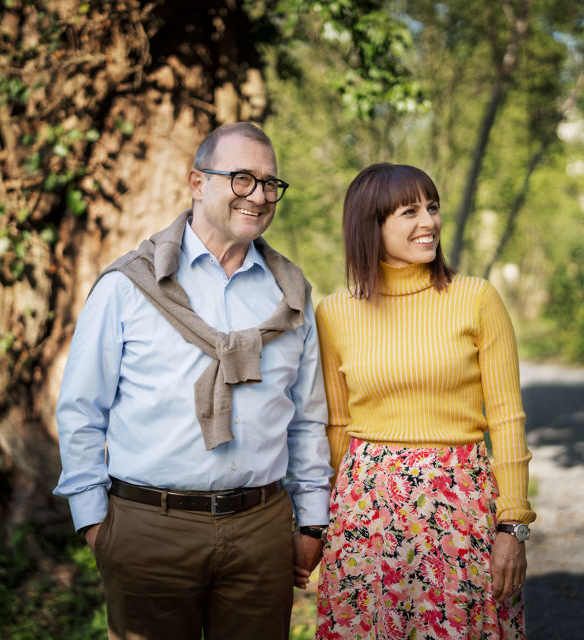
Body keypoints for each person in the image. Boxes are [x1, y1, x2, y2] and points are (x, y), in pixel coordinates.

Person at [53, 122, 332, 640]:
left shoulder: (290, 297)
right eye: (243, 179)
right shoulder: (128, 286)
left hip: (261, 529)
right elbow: (80, 412)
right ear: (197, 183)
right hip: (149, 527)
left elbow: (308, 418)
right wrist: (96, 525)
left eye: (271, 183)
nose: (260, 196)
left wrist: (312, 521)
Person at [313, 163, 535, 639]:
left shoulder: (476, 298)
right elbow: (336, 425)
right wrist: (320, 523)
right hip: (364, 513)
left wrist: (512, 524)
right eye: (409, 211)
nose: (429, 222)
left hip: (461, 510)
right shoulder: (334, 313)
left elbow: (507, 417)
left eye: (432, 208)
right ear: (371, 225)